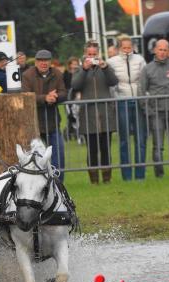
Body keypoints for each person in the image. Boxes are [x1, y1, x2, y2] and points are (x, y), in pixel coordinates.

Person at [138, 39, 169, 179]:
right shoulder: (147, 69)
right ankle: (159, 174)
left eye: (165, 50)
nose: (162, 52)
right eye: (160, 49)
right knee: (158, 146)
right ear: (155, 50)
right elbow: (141, 91)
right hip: (156, 113)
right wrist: (148, 110)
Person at [71, 41, 119, 184]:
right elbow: (75, 86)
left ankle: (107, 179)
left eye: (94, 54)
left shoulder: (105, 68)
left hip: (105, 114)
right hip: (88, 115)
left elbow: (113, 81)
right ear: (85, 54)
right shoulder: (79, 70)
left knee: (106, 148)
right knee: (91, 149)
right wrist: (85, 70)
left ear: (99, 54)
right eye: (89, 54)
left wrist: (105, 67)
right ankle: (94, 180)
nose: (92, 57)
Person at [22, 49, 67, 181]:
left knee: (58, 156)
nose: (43, 63)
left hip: (53, 123)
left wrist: (56, 97)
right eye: (41, 61)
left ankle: (58, 183)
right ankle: (36, 184)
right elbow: (25, 97)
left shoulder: (57, 73)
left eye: (46, 60)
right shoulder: (27, 75)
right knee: (34, 158)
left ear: (50, 62)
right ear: (36, 62)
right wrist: (45, 98)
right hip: (33, 125)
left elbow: (64, 92)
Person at [107, 34, 148, 181]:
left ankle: (140, 175)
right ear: (119, 48)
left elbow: (144, 79)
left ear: (133, 47)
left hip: (138, 100)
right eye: (124, 47)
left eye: (129, 47)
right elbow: (111, 83)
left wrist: (143, 96)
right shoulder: (111, 62)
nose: (127, 50)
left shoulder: (140, 59)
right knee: (124, 140)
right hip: (121, 101)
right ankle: (127, 176)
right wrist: (115, 99)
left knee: (140, 138)